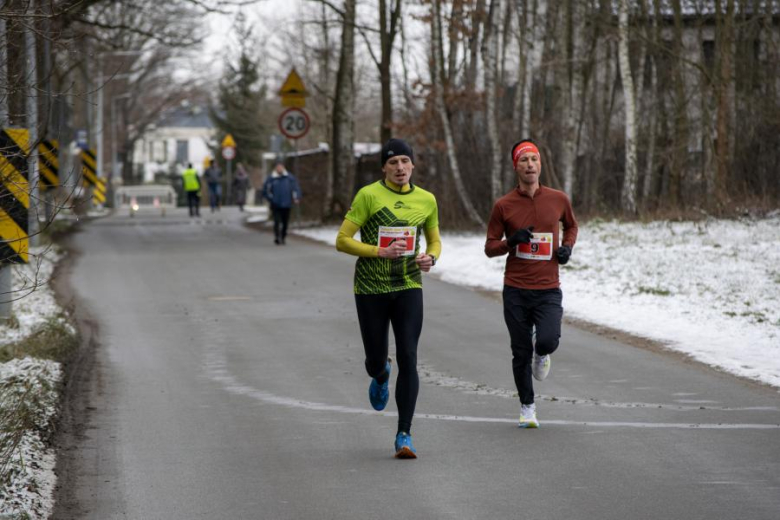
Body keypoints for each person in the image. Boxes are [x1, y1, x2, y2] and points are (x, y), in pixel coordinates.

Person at [335, 138, 441, 459]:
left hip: (409, 285)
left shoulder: (426, 200)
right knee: (374, 360)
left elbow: (434, 240)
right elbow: (342, 240)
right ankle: (381, 373)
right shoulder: (368, 195)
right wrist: (379, 251)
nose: (400, 168)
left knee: (409, 354)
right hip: (371, 288)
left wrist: (430, 258)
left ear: (412, 165)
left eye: (405, 162)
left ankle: (404, 435)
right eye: (393, 162)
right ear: (384, 167)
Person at [484, 139, 578, 429]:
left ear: (540, 165)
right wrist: (511, 242)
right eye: (524, 160)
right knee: (520, 350)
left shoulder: (558, 199)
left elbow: (571, 225)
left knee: (547, 340)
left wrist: (567, 248)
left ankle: (543, 351)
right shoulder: (504, 205)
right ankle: (527, 406)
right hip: (515, 288)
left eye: (534, 160)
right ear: (516, 167)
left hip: (548, 288)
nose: (529, 165)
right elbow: (489, 247)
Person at [262, 159, 301, 245]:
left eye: (281, 167)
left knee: (285, 222)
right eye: (278, 167)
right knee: (276, 221)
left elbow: (295, 188)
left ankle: (283, 236)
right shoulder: (271, 178)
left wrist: (296, 197)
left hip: (287, 203)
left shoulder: (289, 178)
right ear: (276, 168)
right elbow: (266, 190)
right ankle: (277, 236)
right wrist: (270, 198)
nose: (279, 168)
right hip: (275, 203)